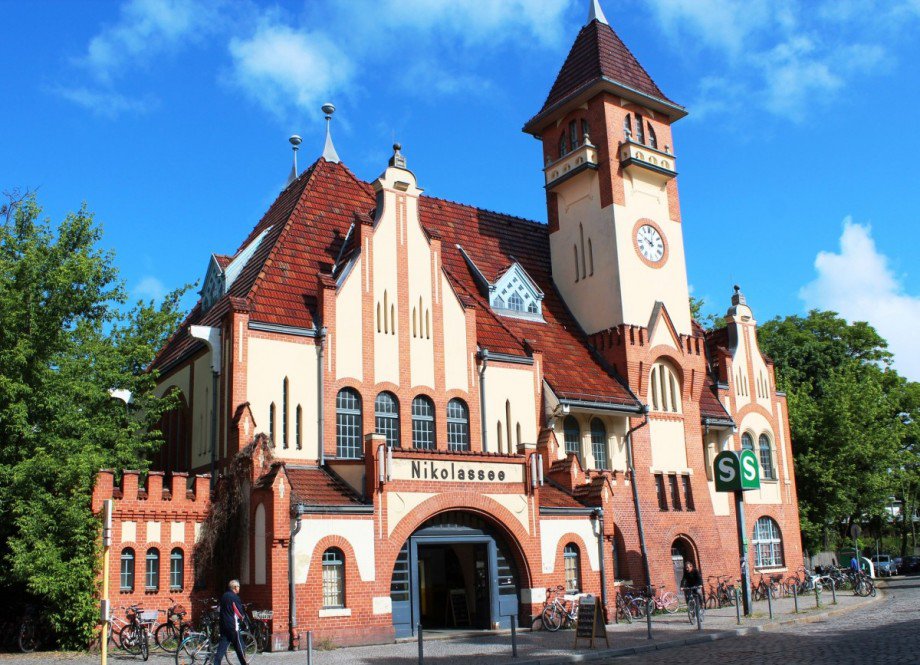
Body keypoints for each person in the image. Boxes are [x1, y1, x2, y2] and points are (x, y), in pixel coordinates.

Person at [214, 579, 247, 665]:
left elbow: (219, 608)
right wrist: (243, 618)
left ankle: (216, 663)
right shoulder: (234, 597)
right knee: (239, 646)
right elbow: (238, 612)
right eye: (238, 587)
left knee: (222, 647)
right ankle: (244, 663)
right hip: (232, 625)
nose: (239, 588)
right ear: (235, 587)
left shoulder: (224, 596)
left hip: (223, 624)